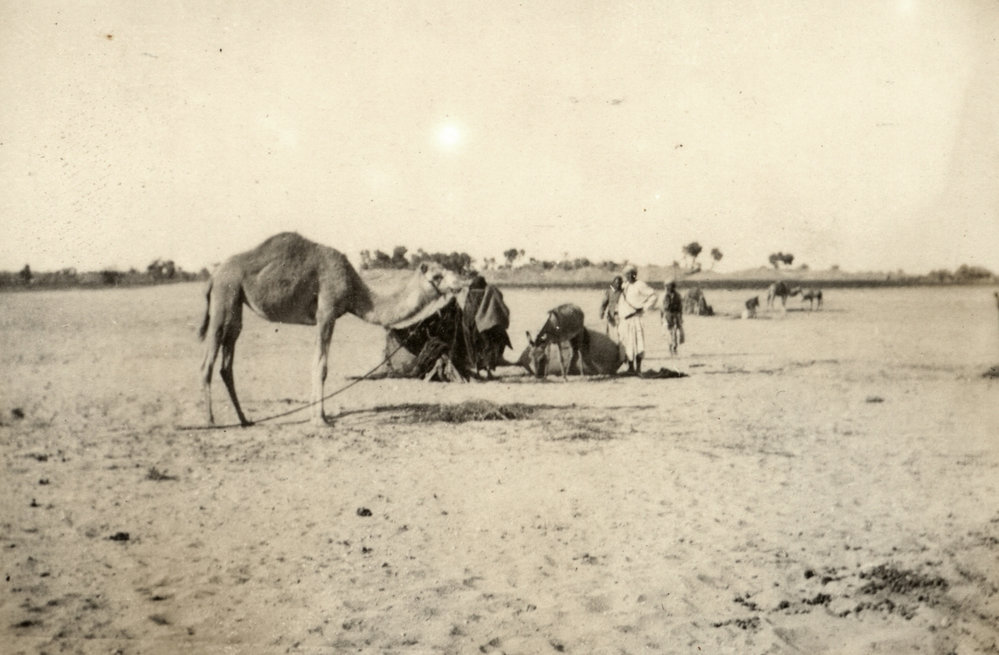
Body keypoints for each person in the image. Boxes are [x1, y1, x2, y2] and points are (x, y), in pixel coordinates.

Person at [616, 264, 658, 374]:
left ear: (634, 274)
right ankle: (630, 368)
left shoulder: (640, 285)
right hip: (624, 321)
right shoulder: (624, 285)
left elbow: (653, 295)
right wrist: (613, 284)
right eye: (626, 274)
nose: (628, 276)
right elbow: (612, 289)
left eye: (630, 274)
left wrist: (644, 307)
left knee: (638, 344)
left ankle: (638, 368)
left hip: (635, 319)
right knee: (627, 345)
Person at [661, 281, 684, 354]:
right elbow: (662, 308)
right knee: (668, 331)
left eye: (669, 286)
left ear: (672, 286)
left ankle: (674, 346)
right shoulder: (664, 295)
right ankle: (670, 346)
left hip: (675, 314)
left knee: (675, 331)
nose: (667, 287)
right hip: (667, 314)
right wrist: (661, 318)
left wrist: (680, 317)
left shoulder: (677, 295)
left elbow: (680, 307)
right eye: (666, 286)